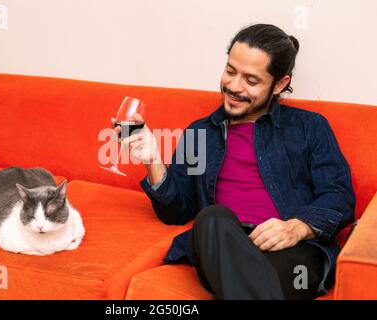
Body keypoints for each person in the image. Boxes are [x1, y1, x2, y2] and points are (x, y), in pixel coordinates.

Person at [114, 24, 355, 300]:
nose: (233, 86)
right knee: (212, 218)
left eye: (251, 81)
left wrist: (296, 228)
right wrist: (153, 160)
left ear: (279, 84)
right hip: (220, 244)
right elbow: (177, 212)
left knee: (279, 276)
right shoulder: (200, 133)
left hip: (294, 254)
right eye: (230, 71)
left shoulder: (309, 127)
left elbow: (339, 195)